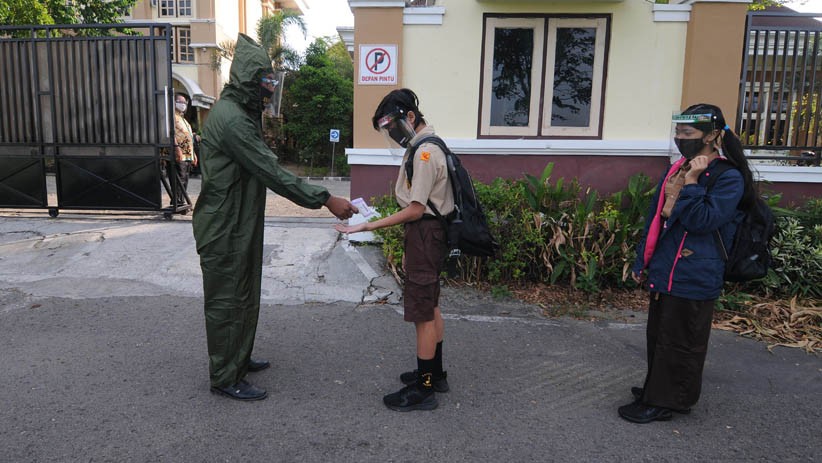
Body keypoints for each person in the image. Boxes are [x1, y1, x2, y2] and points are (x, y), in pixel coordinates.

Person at [192, 34, 357, 401]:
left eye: (271, 82)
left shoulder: (241, 114)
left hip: (239, 222)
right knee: (226, 301)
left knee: (244, 292)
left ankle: (239, 357)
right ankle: (224, 375)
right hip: (224, 226)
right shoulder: (232, 120)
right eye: (265, 83)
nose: (269, 90)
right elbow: (273, 172)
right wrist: (326, 198)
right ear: (250, 82)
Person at [619, 103, 758, 423]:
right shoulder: (678, 167)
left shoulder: (727, 177)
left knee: (682, 339)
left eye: (688, 132)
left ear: (711, 136)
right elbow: (657, 219)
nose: (680, 138)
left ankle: (668, 401)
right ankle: (659, 388)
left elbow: (702, 220)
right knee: (661, 334)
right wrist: (644, 260)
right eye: (678, 132)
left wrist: (693, 181)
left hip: (696, 270)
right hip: (669, 267)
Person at [334, 89, 454, 412]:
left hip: (425, 234)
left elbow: (416, 209)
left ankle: (424, 390)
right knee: (431, 306)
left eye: (395, 129)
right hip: (427, 236)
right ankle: (434, 374)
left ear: (411, 118)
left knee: (423, 315)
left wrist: (367, 226)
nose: (394, 136)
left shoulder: (426, 153)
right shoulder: (425, 146)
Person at [170, 93, 197, 206]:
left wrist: (194, 154)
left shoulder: (183, 120)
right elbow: (170, 134)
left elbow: (189, 137)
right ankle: (176, 202)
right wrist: (177, 148)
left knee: (185, 178)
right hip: (179, 153)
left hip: (188, 154)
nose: (183, 105)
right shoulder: (172, 117)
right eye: (180, 102)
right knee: (179, 177)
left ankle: (181, 201)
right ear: (174, 103)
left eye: (185, 103)